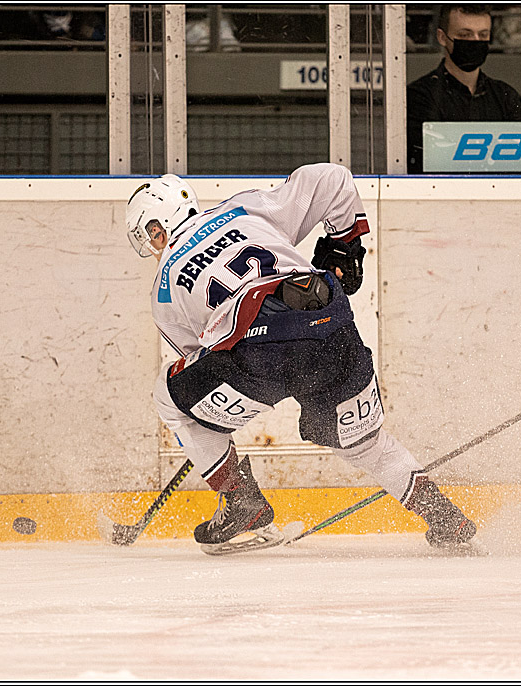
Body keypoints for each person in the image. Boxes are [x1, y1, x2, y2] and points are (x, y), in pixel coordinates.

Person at [125, 165, 477, 555]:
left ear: (158, 228)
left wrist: (210, 443)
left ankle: (241, 499)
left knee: (170, 399)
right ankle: (446, 518)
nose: (154, 245)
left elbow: (200, 360)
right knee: (365, 444)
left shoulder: (163, 289)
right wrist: (345, 246)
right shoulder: (244, 210)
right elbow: (333, 180)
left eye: (150, 236)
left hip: (261, 350)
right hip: (329, 320)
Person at [406, 4, 521, 173]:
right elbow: (423, 162)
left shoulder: (505, 96)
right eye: (465, 34)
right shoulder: (420, 95)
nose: (475, 41)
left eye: (483, 35)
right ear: (442, 37)